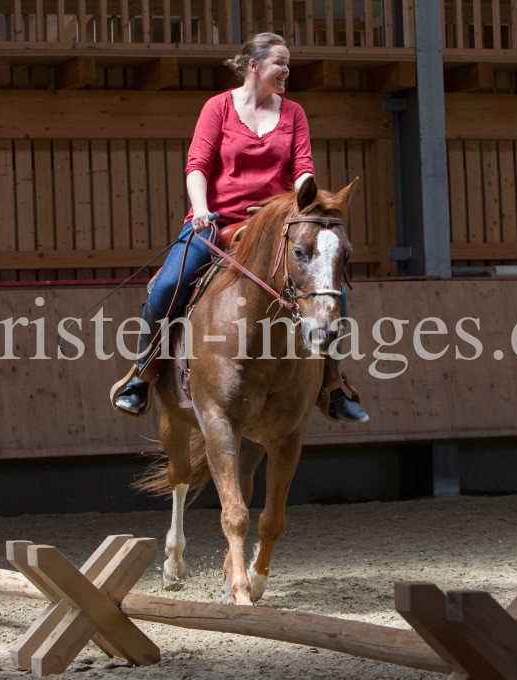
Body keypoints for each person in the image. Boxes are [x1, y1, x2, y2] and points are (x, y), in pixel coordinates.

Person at [111, 32, 368, 424]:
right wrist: (200, 208)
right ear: (253, 65)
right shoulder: (218, 107)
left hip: (275, 224)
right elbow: (197, 165)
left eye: (288, 63)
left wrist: (308, 197)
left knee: (328, 287)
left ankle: (331, 383)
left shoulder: (294, 112)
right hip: (217, 223)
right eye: (279, 62)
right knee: (165, 287)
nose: (286, 70)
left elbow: (302, 169)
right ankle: (141, 376)